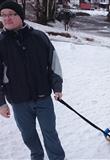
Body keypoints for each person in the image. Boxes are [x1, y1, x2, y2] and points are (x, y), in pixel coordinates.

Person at [0, 1, 65, 160]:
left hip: (43, 98)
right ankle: (37, 156)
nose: (7, 18)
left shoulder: (39, 37)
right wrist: (1, 102)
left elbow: (53, 63)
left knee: (50, 133)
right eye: (3, 15)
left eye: (11, 14)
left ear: (20, 16)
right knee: (28, 135)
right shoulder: (1, 43)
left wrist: (57, 87)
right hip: (18, 101)